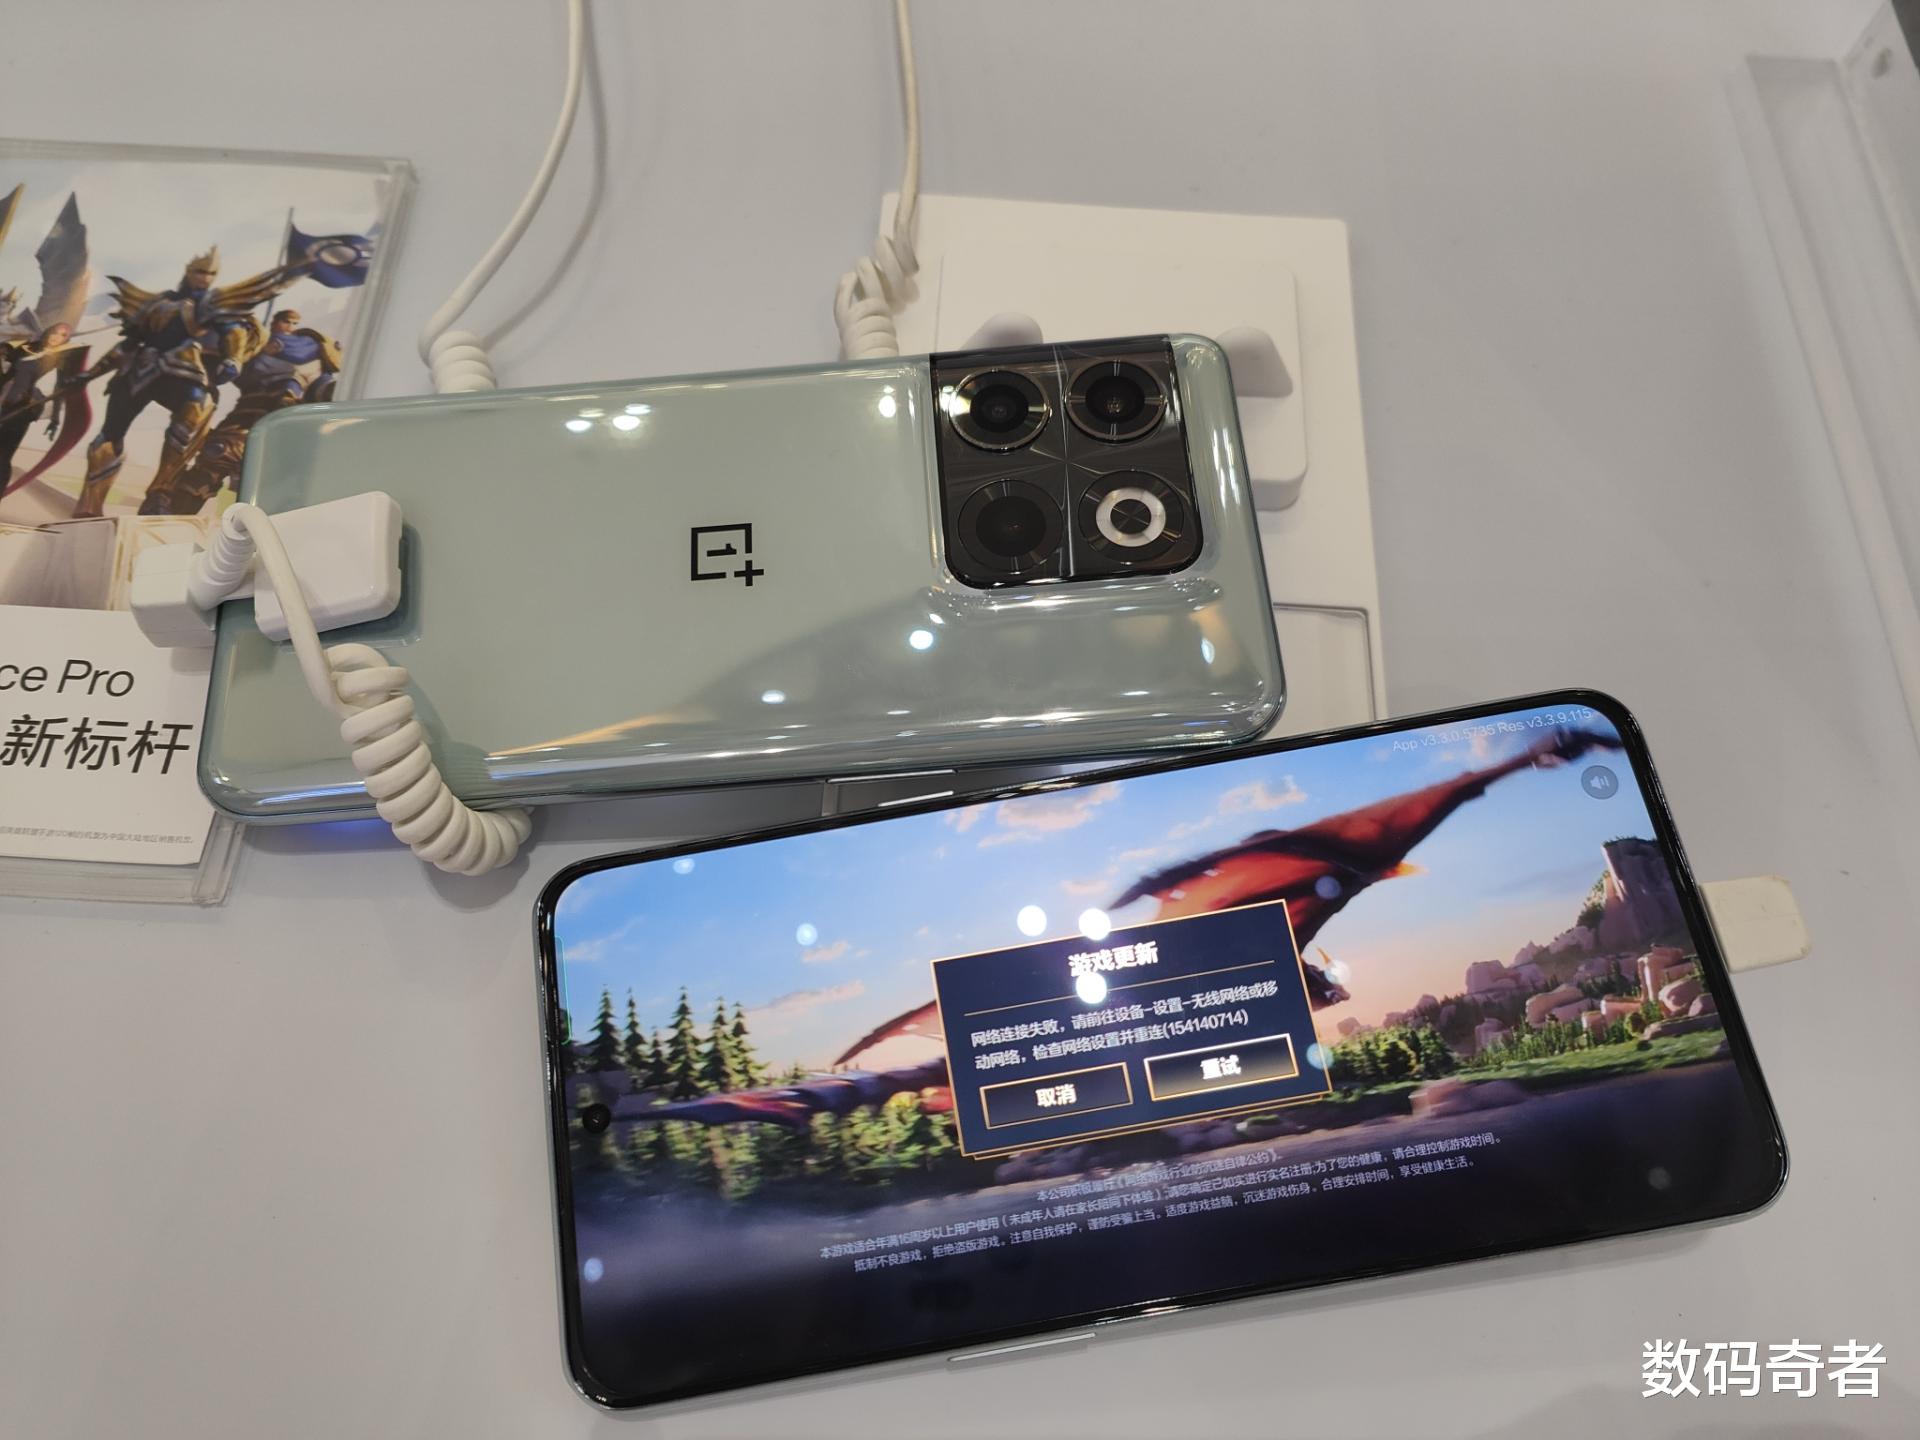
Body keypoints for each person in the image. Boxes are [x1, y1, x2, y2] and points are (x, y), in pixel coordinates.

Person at [72, 246, 301, 518]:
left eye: (210, 274)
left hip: (183, 371)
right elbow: (128, 345)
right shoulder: (157, 303)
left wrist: (233, 359)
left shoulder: (214, 305)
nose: (205, 278)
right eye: (200, 272)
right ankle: (90, 503)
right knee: (110, 433)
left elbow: (233, 333)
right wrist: (91, 373)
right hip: (141, 370)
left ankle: (159, 494)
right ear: (189, 272)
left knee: (195, 411)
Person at [143, 308, 342, 515]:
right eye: (286, 322)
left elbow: (323, 389)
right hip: (243, 422)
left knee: (272, 486)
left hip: (283, 431)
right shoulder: (253, 345)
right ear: (275, 323)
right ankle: (173, 518)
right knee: (211, 464)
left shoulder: (312, 353)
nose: (289, 327)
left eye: (293, 323)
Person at [0, 322, 72, 483]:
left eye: (63, 336)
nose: (57, 337)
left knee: (4, 454)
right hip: (8, 403)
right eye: (55, 332)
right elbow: (8, 375)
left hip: (27, 408)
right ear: (48, 331)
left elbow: (59, 389)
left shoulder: (59, 358)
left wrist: (55, 419)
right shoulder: (28, 348)